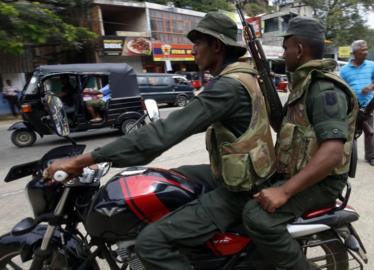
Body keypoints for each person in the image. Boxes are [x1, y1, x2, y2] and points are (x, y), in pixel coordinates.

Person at [46, 12, 275, 270]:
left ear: (217, 46)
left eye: (197, 43)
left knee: (151, 244)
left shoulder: (227, 88)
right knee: (165, 179)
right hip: (247, 173)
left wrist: (83, 159)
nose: (193, 51)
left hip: (240, 190)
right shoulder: (244, 76)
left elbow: (164, 133)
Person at [241, 17, 358, 270]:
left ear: (300, 49)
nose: (283, 54)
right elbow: (286, 128)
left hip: (323, 182)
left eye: (285, 48)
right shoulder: (304, 84)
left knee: (257, 217)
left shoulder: (324, 89)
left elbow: (332, 153)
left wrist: (283, 192)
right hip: (298, 171)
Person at [340, 40, 374, 166]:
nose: (366, 52)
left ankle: (371, 157)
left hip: (369, 105)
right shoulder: (344, 70)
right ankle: (351, 157)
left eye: (366, 49)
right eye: (362, 50)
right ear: (354, 52)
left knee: (370, 132)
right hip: (352, 107)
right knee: (351, 133)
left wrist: (370, 87)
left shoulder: (371, 65)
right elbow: (341, 87)